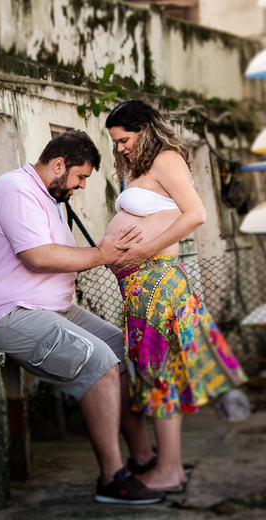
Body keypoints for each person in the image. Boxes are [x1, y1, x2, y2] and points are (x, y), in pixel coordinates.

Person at [0, 129, 162, 505]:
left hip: (51, 309)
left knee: (123, 348)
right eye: (80, 176)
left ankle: (143, 458)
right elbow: (38, 257)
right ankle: (112, 479)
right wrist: (102, 254)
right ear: (59, 164)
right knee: (99, 361)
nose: (81, 185)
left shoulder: (46, 197)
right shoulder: (15, 190)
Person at [102, 100, 246, 491]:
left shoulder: (166, 159)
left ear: (145, 128)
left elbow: (195, 214)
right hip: (143, 289)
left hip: (158, 284)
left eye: (124, 139)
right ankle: (166, 464)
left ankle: (169, 469)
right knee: (153, 375)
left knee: (161, 375)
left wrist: (145, 251)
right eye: (115, 142)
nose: (120, 149)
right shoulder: (145, 167)